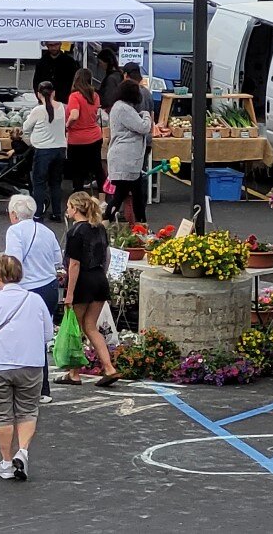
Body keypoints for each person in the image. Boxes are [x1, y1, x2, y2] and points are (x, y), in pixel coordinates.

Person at [0, 254, 55, 481]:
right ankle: (23, 451)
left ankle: (6, 462)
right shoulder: (36, 300)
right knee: (28, 410)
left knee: (2, 415)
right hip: (30, 363)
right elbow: (48, 334)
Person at [4, 193, 63, 401]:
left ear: (13, 214)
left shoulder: (14, 232)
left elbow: (14, 262)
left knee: (18, 337)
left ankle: (19, 386)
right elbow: (58, 259)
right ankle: (42, 389)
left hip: (27, 289)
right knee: (39, 339)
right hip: (49, 287)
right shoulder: (46, 231)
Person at [61, 191, 120, 386]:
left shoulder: (75, 232)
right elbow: (106, 256)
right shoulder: (99, 228)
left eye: (68, 206)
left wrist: (69, 294)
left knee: (75, 328)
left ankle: (74, 373)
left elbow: (74, 264)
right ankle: (109, 367)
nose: (66, 210)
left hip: (83, 282)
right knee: (90, 326)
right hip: (99, 279)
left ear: (75, 209)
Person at [102, 80, 151, 224]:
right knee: (123, 195)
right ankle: (106, 221)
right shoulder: (124, 109)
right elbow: (143, 127)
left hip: (124, 160)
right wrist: (146, 114)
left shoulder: (119, 107)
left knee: (133, 195)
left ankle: (141, 224)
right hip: (126, 160)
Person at [20, 81, 67, 220]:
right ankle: (57, 213)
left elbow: (26, 128)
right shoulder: (62, 108)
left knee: (39, 183)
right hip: (60, 150)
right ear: (53, 93)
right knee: (56, 183)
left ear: (38, 94)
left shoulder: (38, 110)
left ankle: (38, 213)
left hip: (43, 151)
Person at [65, 68, 103, 192]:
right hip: (95, 136)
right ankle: (103, 196)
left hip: (77, 139)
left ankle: (78, 196)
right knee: (97, 168)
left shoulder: (74, 96)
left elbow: (74, 115)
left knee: (77, 171)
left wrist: (67, 125)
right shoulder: (95, 95)